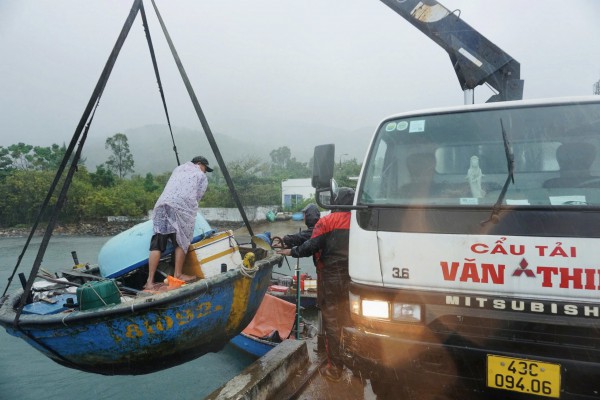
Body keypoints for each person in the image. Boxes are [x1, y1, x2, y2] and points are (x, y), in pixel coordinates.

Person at [277, 188, 355, 382]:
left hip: (330, 278)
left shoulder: (327, 222)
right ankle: (356, 364)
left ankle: (335, 369)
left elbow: (310, 246)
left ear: (335, 201)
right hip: (355, 280)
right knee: (352, 321)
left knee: (332, 323)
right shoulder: (361, 222)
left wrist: (289, 251)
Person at [144, 155, 213, 290]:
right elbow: (198, 196)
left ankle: (149, 282)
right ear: (200, 164)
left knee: (158, 241)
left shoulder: (178, 169)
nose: (205, 171)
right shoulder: (200, 175)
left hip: (161, 204)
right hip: (182, 207)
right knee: (182, 239)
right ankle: (178, 274)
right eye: (205, 168)